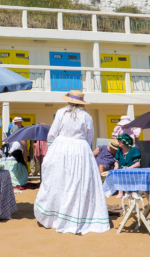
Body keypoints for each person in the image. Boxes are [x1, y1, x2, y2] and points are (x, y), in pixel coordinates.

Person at [33, 90, 110, 234]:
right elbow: (89, 136)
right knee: (78, 183)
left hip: (61, 148)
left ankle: (54, 216)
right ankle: (76, 216)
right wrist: (83, 148)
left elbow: (52, 134)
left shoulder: (61, 113)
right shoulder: (86, 116)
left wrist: (52, 148)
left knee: (58, 181)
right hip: (80, 149)